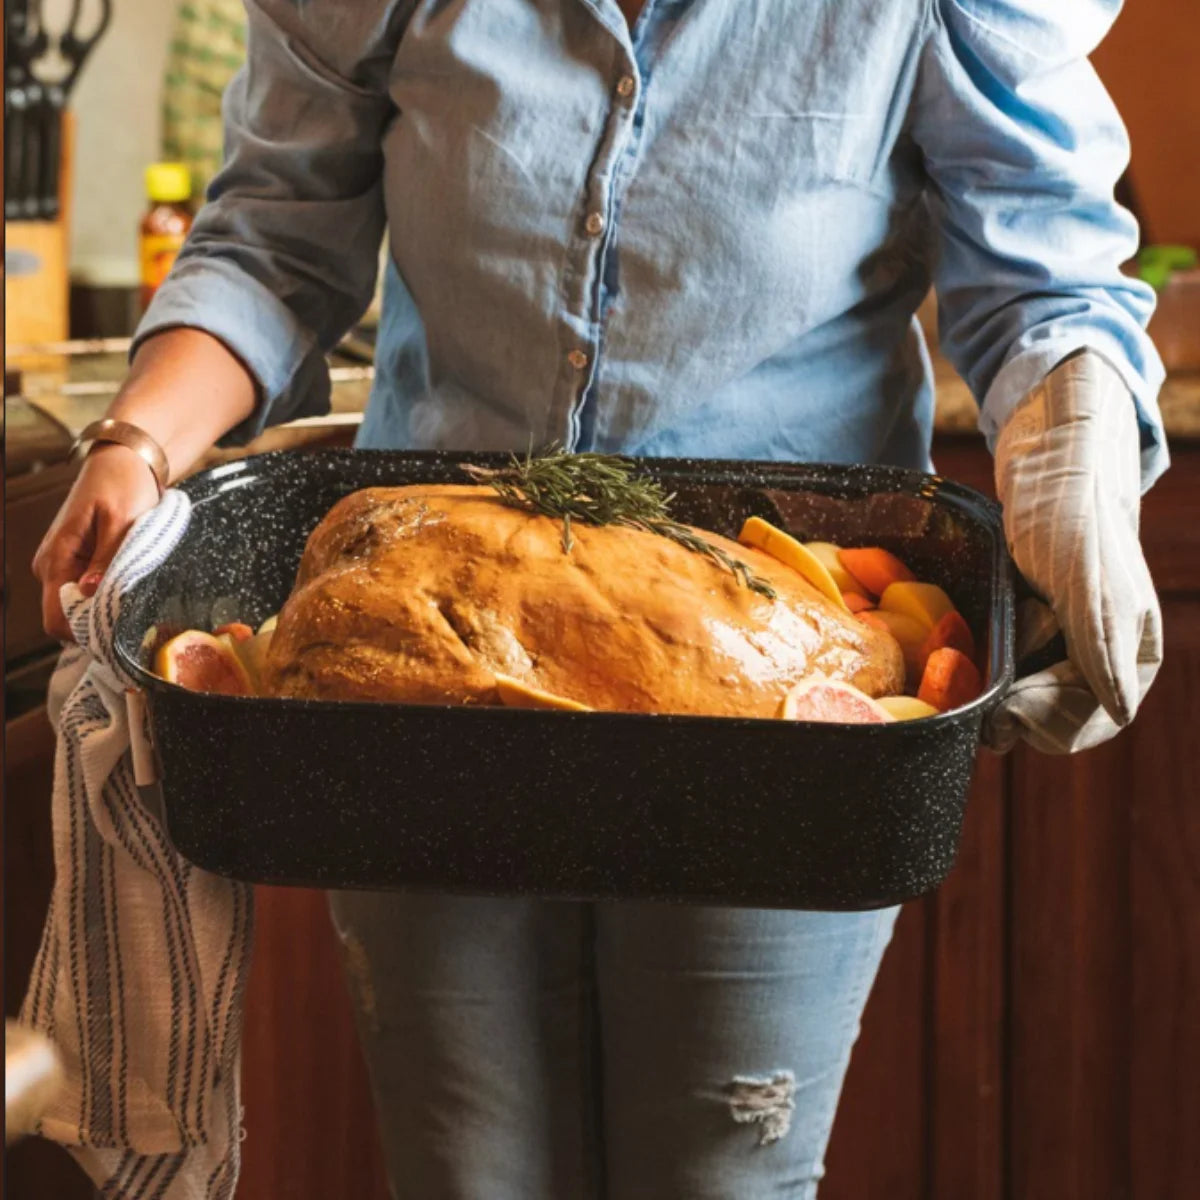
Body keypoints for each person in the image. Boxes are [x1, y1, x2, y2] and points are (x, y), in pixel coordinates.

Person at [34, 1, 1166, 1196]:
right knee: (466, 1173)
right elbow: (273, 237)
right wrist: (137, 444)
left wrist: (1074, 481)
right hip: (418, 667)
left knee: (718, 1176)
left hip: (781, 700)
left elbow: (1045, 274)